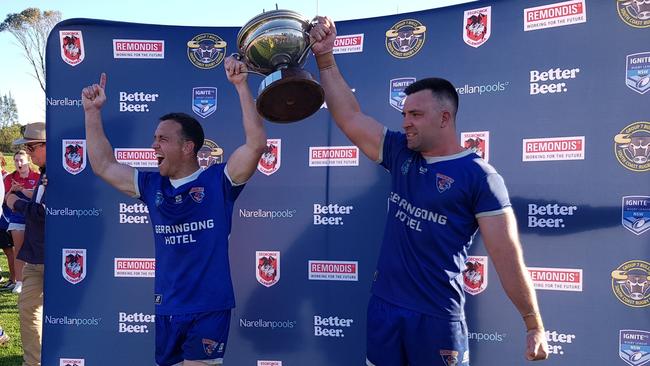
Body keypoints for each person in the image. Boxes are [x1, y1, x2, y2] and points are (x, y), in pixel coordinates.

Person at [309, 17, 549, 366]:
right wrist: (325, 58)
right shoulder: (399, 152)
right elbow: (349, 116)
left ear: (445, 117)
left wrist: (533, 323)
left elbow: (507, 257)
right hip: (384, 309)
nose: (406, 121)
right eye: (405, 113)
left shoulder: (480, 177)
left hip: (437, 319)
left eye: (416, 114)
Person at [81, 56, 266, 366]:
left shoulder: (218, 180)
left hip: (209, 307)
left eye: (162, 139)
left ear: (187, 147)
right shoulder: (152, 186)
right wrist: (92, 113)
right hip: (167, 307)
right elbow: (103, 164)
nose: (154, 146)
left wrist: (240, 86)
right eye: (154, 139)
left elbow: (256, 144)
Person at [5, 122, 47, 366]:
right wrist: (26, 195)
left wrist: (14, 202)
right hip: (35, 256)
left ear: (45, 145)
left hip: (55, 257)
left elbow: (46, 213)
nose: (28, 154)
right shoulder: (44, 172)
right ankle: (33, 363)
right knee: (28, 311)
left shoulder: (60, 172)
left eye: (31, 147)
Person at [3, 150, 40, 294]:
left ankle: (35, 282)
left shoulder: (37, 177)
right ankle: (19, 282)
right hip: (17, 218)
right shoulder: (10, 178)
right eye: (16, 160)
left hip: (36, 219)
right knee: (18, 250)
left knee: (35, 250)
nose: (19, 163)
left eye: (21, 160)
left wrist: (24, 191)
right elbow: (6, 200)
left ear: (28, 161)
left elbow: (41, 197)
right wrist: (11, 190)